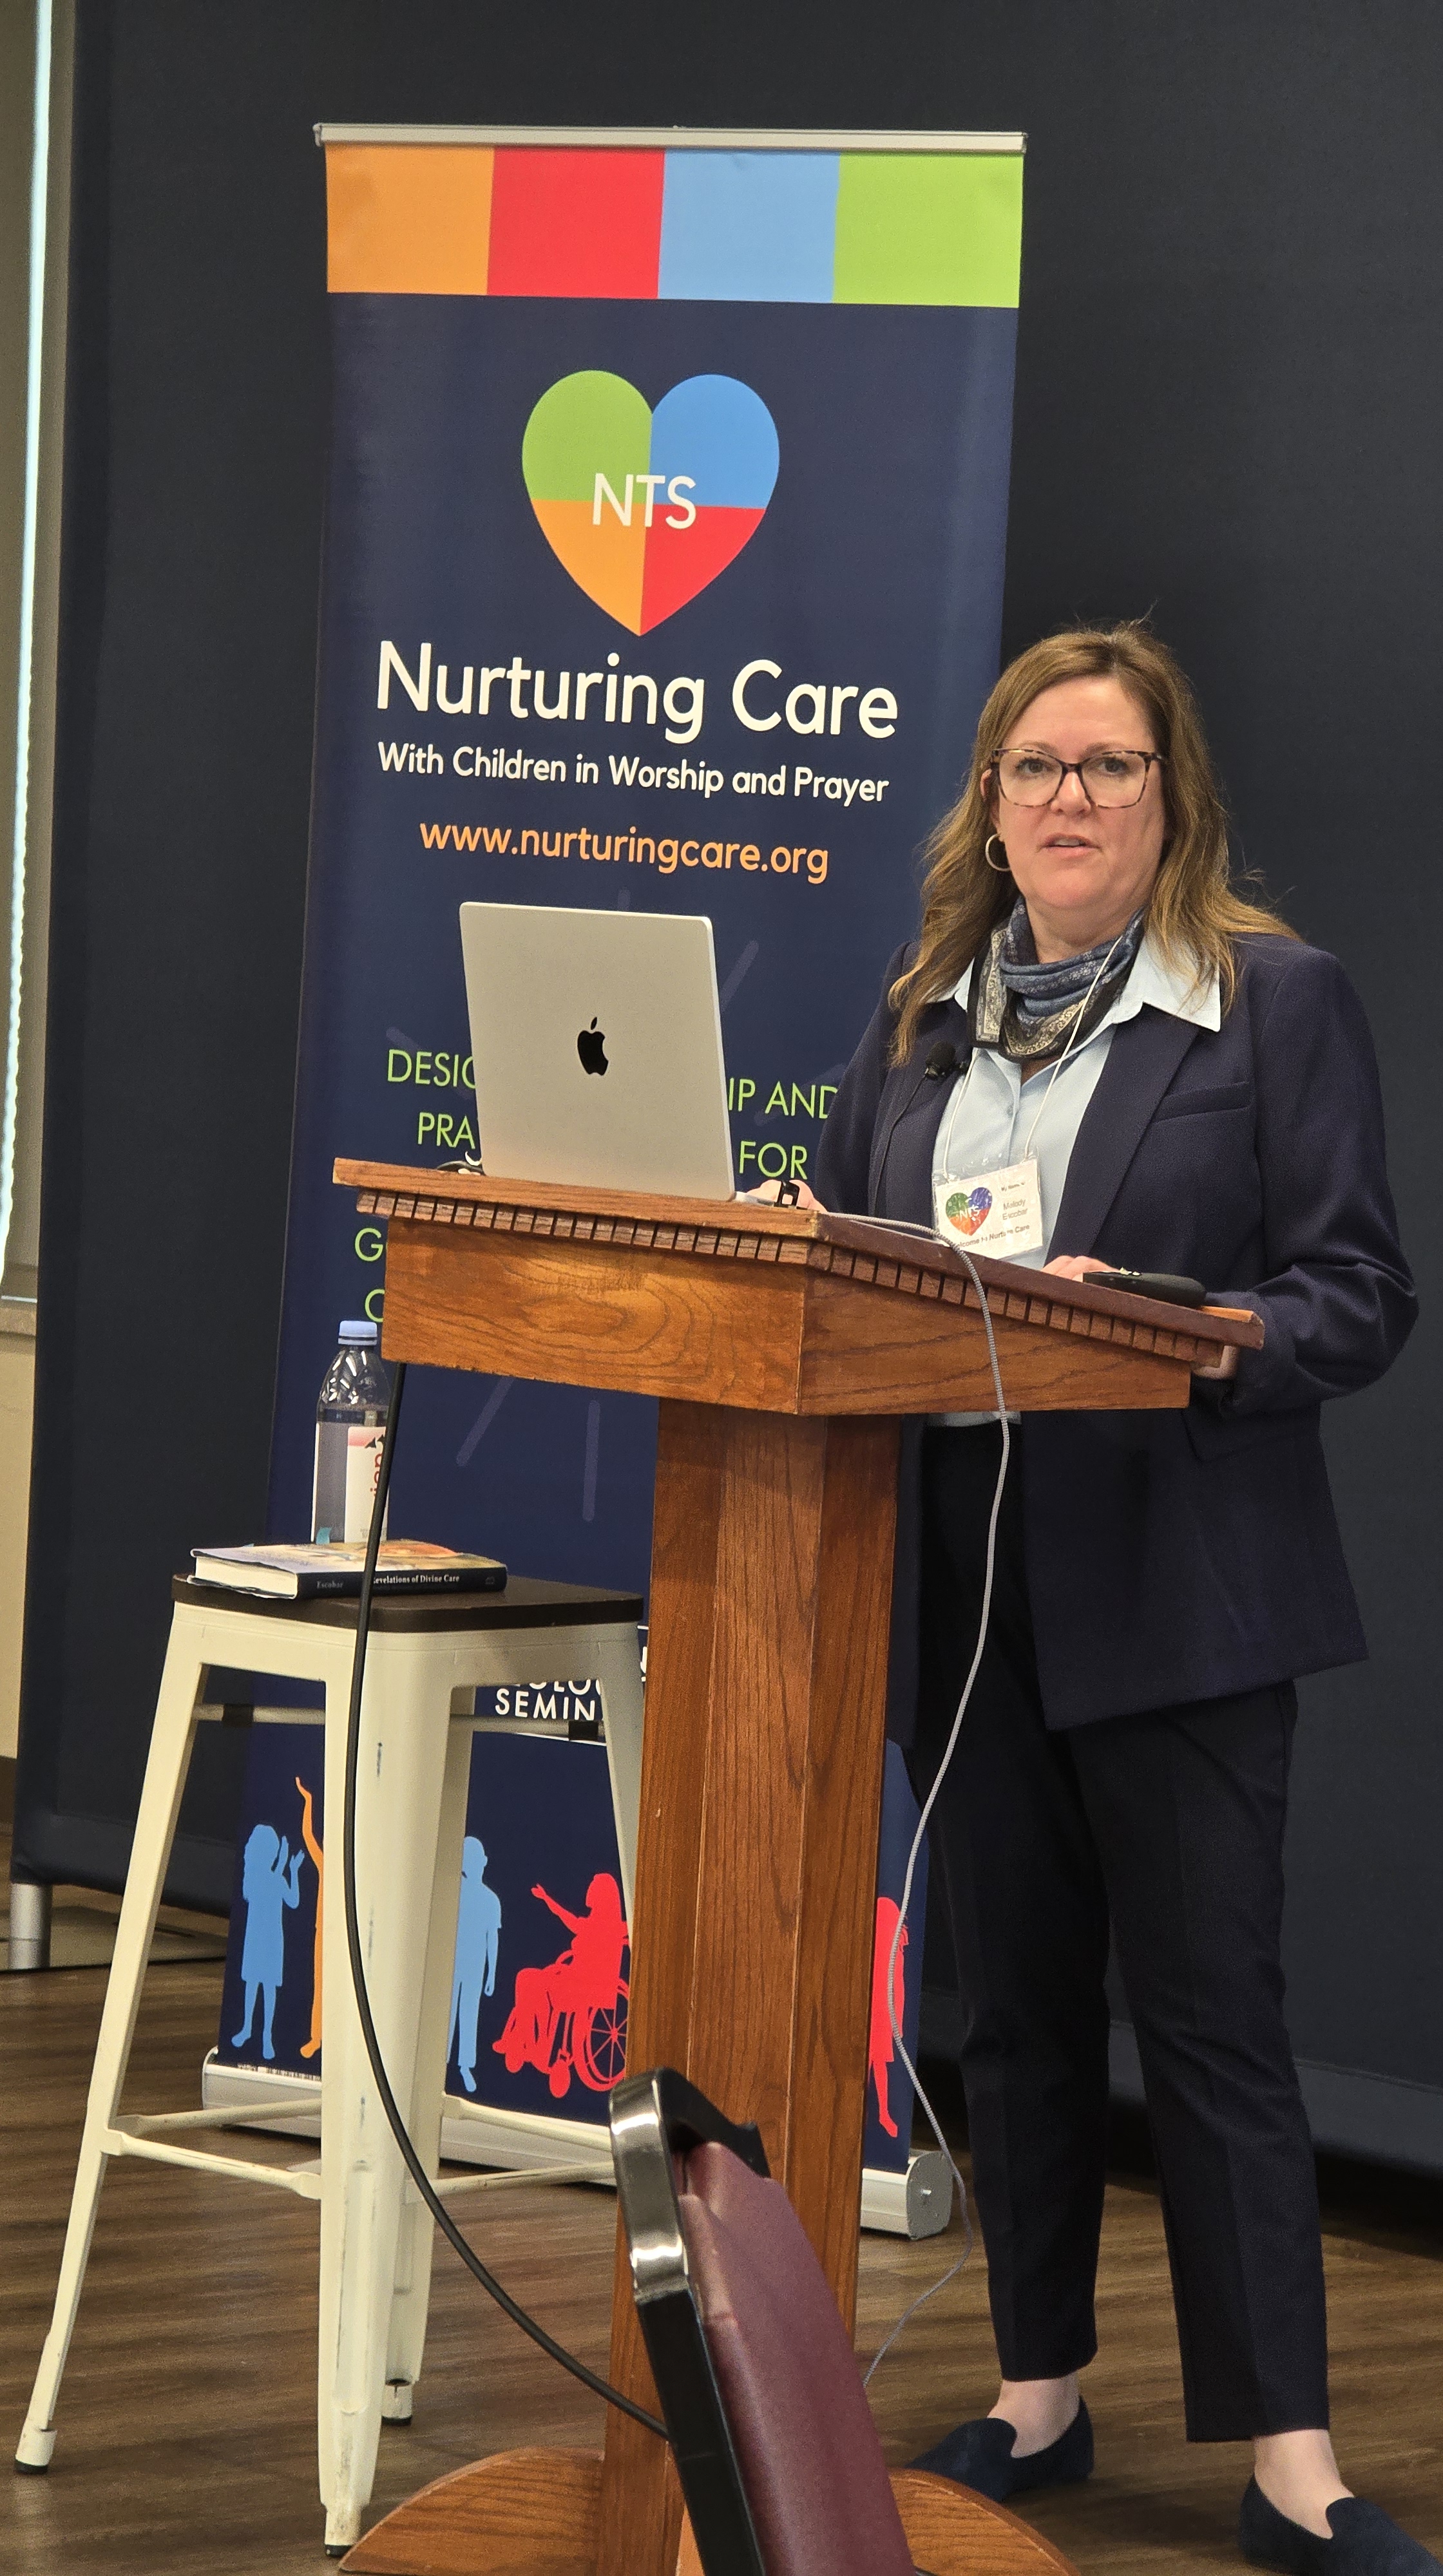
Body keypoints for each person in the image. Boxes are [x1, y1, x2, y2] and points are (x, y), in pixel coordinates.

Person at [791, 624, 1422, 2574]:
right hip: (967, 1585)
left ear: (1171, 801)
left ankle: (1293, 2465)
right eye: (1037, 767)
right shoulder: (921, 1019)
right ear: (991, 803)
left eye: (1110, 767)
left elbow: (1357, 1293)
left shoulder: (1271, 1003)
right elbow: (847, 1250)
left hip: (1183, 1586)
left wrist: (1193, 1330)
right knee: (1014, 2017)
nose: (1070, 798)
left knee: (1215, 2024)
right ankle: (1037, 2396)